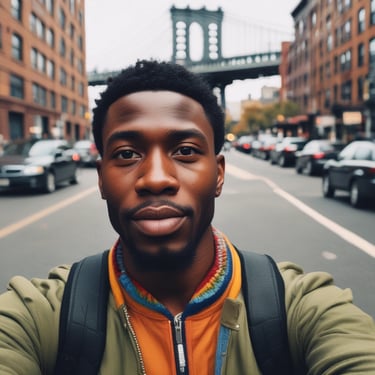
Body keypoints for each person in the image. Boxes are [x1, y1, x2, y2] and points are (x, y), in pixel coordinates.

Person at [0, 60, 375, 375]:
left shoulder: (300, 306)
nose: (157, 178)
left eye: (185, 150)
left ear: (219, 174)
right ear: (100, 178)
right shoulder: (42, 314)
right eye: (128, 154)